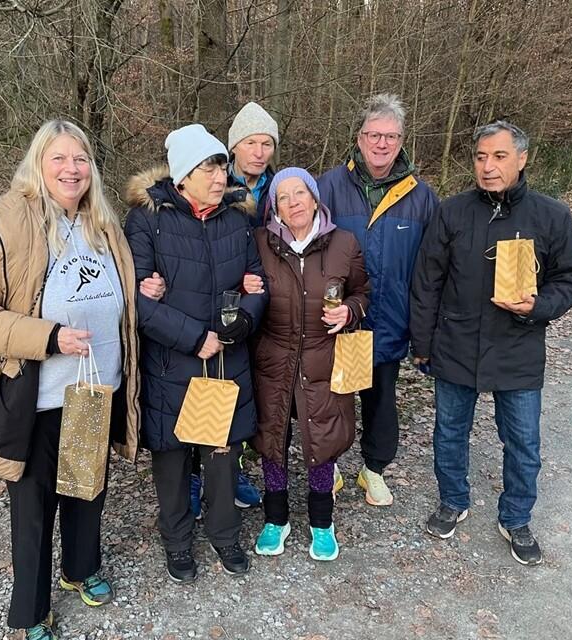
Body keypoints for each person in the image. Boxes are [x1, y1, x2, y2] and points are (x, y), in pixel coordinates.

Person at [0, 119, 163, 640]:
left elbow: (116, 295)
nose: (72, 169)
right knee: (34, 509)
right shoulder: (7, 222)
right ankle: (31, 610)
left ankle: (81, 569)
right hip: (37, 396)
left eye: (81, 159)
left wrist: (145, 290)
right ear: (38, 164)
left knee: (86, 490)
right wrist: (48, 337)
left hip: (94, 388)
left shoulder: (102, 223)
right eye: (59, 158)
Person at [409, 120, 572, 566]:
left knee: (523, 442)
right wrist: (423, 343)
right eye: (480, 157)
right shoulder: (451, 212)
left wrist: (539, 305)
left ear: (522, 159)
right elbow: (427, 282)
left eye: (499, 156)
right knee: (450, 433)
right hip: (456, 342)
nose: (488, 166)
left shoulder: (551, 215)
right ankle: (452, 500)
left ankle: (516, 517)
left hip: (517, 346)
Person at [124, 124, 268, 583]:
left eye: (223, 166)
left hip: (225, 359)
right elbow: (137, 300)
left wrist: (244, 321)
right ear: (183, 175)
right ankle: (177, 542)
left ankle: (226, 537)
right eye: (210, 168)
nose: (221, 176)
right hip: (172, 362)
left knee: (222, 455)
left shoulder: (237, 218)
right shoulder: (147, 220)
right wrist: (193, 338)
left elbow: (256, 282)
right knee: (170, 458)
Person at [317, 93, 439, 506]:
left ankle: (373, 469)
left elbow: (431, 267)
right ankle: (329, 466)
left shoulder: (421, 197)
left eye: (391, 136)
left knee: (381, 401)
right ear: (359, 138)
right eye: (374, 135)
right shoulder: (329, 187)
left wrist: (423, 328)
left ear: (402, 141)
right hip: (338, 318)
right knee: (334, 398)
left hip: (390, 319)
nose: (382, 143)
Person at [250, 168, 370, 561]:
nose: (293, 202)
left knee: (323, 440)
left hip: (325, 358)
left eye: (299, 193)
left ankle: (322, 522)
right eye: (283, 197)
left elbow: (363, 292)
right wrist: (245, 288)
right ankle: (276, 518)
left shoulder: (344, 243)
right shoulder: (260, 243)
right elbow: (241, 289)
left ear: (315, 199)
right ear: (275, 208)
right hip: (274, 358)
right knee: (273, 440)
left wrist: (350, 311)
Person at [184, 101, 279, 515]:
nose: (259, 152)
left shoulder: (279, 189)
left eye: (266, 144)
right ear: (233, 147)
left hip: (260, 303)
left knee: (242, 393)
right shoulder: (212, 181)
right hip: (215, 302)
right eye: (250, 143)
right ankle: (194, 472)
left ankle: (232, 468)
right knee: (204, 385)